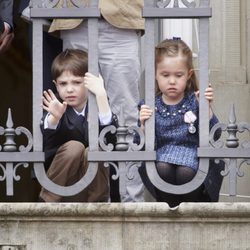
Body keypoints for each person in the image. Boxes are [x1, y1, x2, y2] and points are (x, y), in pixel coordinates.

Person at [47, 0, 145, 202]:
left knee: (126, 118)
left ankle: (132, 203)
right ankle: (94, 200)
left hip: (123, 14)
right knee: (79, 113)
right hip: (75, 15)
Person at [139, 38, 223, 207]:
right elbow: (141, 145)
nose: (172, 81)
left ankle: (189, 211)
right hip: (162, 156)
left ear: (189, 75)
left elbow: (215, 134)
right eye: (165, 75)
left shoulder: (194, 100)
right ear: (155, 74)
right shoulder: (150, 104)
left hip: (192, 155)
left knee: (185, 172)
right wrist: (143, 124)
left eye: (178, 75)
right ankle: (171, 210)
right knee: (162, 168)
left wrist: (206, 108)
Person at [39, 48, 118, 202]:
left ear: (88, 83)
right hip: (62, 187)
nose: (69, 89)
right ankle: (47, 203)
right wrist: (55, 118)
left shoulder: (98, 104)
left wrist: (101, 96)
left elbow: (111, 141)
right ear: (56, 85)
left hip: (93, 190)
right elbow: (48, 136)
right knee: (75, 147)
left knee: (94, 150)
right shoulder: (56, 105)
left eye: (76, 82)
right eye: (63, 83)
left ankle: (98, 207)